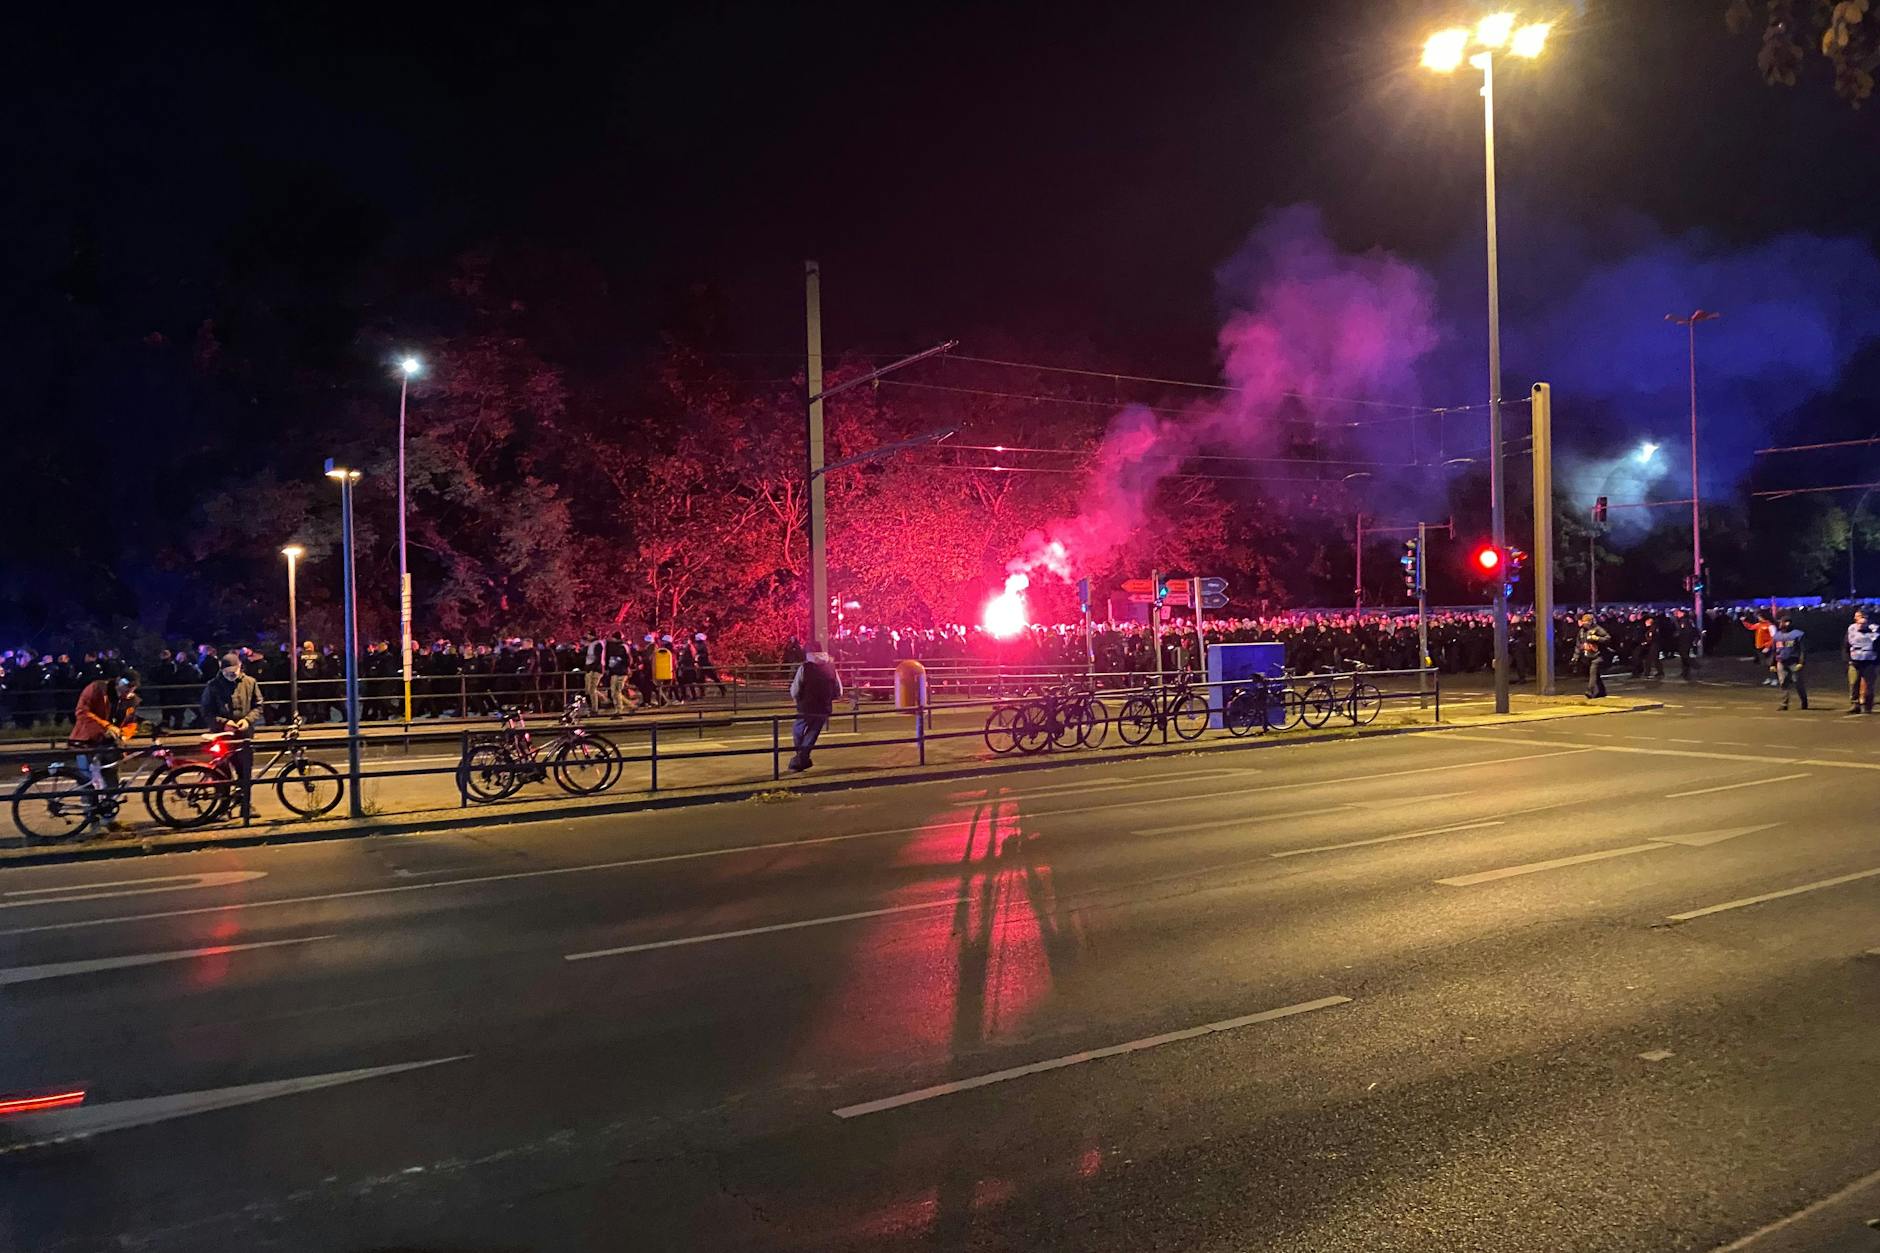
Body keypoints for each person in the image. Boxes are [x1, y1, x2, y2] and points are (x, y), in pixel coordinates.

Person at [70, 669, 139, 831]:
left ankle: (109, 819)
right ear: (119, 681)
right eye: (127, 686)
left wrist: (124, 735)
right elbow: (82, 711)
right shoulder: (97, 688)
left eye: (133, 688)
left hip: (110, 743)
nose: (129, 691)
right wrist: (106, 726)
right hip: (87, 739)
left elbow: (131, 722)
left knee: (112, 779)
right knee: (87, 780)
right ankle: (91, 821)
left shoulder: (131, 700)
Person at [200, 651, 265, 819]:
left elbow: (258, 705)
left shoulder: (250, 683)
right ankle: (222, 806)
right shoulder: (213, 685)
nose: (231, 675)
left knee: (245, 772)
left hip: (244, 735)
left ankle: (245, 805)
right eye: (227, 673)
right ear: (221, 671)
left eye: (234, 672)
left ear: (240, 667)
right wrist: (223, 722)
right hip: (222, 735)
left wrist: (248, 720)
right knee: (222, 774)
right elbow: (206, 711)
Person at [787, 640, 841, 773]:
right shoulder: (831, 666)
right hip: (824, 706)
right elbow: (838, 689)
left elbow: (795, 688)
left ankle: (801, 758)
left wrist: (796, 698)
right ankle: (802, 759)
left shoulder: (805, 668)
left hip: (806, 706)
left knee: (797, 730)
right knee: (812, 733)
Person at [1847, 608, 1879, 714]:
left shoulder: (1875, 630)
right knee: (1853, 682)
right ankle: (1855, 704)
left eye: (1860, 617)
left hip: (1869, 660)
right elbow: (1846, 644)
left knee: (1869, 685)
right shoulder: (1851, 629)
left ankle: (1868, 705)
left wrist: (1877, 660)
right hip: (1855, 660)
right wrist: (1848, 659)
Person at [1772, 616, 1807, 711]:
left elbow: (1802, 650)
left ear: (1787, 623)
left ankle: (1804, 701)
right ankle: (1784, 703)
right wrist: (1772, 663)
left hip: (1793, 662)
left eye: (1782, 622)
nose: (1780, 624)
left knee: (1798, 682)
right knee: (1783, 683)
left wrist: (1801, 662)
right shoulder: (1777, 635)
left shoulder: (1797, 634)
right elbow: (1774, 650)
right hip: (1781, 661)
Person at [1578, 613, 1612, 699]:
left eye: (1586, 622)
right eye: (1584, 622)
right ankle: (1602, 691)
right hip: (1589, 655)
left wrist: (1597, 638)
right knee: (1595, 675)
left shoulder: (1597, 629)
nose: (1585, 624)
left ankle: (1590, 691)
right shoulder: (1582, 631)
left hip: (1599, 655)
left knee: (1593, 671)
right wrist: (1576, 656)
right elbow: (1578, 644)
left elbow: (1607, 638)